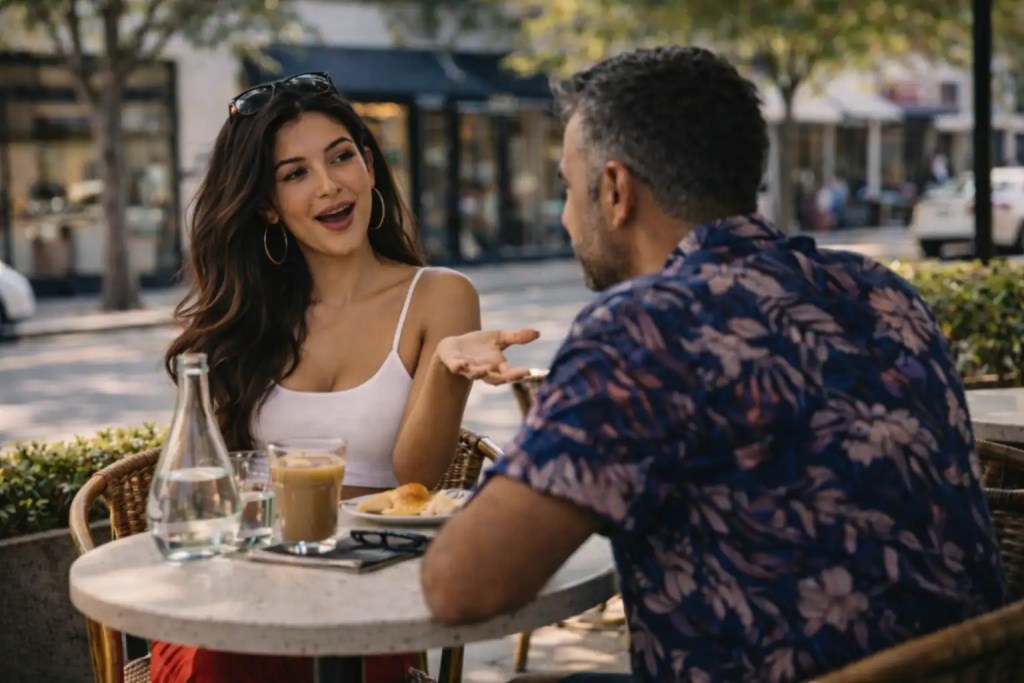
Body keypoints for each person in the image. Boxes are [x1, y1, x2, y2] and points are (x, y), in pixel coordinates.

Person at [421, 46, 1008, 683]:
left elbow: (460, 588)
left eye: (568, 188)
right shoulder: (884, 292)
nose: (566, 216)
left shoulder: (644, 328)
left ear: (616, 192)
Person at [156, 72, 537, 683]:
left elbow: (417, 480)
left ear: (368, 165)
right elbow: (217, 484)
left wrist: (443, 370)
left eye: (341, 157)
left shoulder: (438, 295)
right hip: (249, 587)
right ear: (265, 206)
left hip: (364, 590)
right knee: (225, 655)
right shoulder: (248, 320)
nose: (330, 185)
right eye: (295, 173)